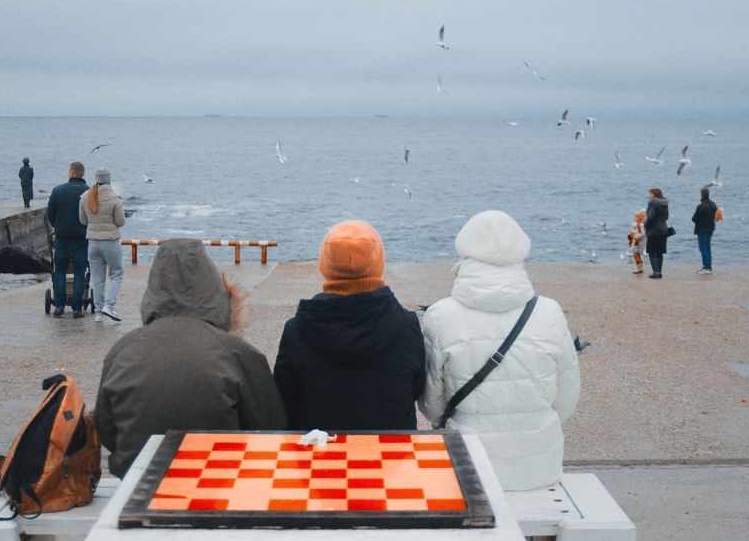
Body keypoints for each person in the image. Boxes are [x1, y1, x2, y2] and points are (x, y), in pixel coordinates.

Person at [93, 239, 286, 478]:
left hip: (139, 479)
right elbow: (271, 426)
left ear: (154, 288)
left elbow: (106, 428)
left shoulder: (122, 350)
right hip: (217, 480)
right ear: (213, 289)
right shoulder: (238, 353)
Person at [418, 210, 579, 491]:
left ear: (465, 257)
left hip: (467, 468)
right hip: (539, 467)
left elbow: (432, 406)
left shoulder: (440, 315)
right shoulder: (549, 312)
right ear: (519, 257)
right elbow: (566, 399)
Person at [273, 220, 425, 430]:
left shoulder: (297, 329)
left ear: (325, 264)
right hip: (392, 452)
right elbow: (417, 388)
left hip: (318, 452)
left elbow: (284, 398)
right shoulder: (406, 324)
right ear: (378, 263)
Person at [79, 168, 125, 322]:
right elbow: (120, 222)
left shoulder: (85, 197)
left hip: (92, 242)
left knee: (98, 279)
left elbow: (83, 221)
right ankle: (109, 306)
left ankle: (98, 312)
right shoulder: (115, 197)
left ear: (96, 179)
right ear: (108, 179)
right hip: (110, 241)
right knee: (116, 274)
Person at [46, 161, 89, 318]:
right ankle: (77, 309)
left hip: (63, 237)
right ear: (82, 173)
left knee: (60, 271)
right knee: (79, 272)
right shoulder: (89, 192)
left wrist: (57, 226)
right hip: (81, 237)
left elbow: (50, 213)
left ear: (71, 172)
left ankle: (59, 306)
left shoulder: (58, 190)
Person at [692, 187, 718, 275]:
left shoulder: (701, 206)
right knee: (708, 248)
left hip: (702, 229)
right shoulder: (713, 204)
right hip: (710, 228)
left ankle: (706, 268)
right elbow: (716, 216)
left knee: (703, 248)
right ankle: (708, 266)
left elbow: (694, 219)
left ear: (702, 195)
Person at [644, 187, 670, 279]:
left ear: (654, 195)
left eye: (650, 194)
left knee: (652, 252)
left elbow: (650, 217)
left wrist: (646, 225)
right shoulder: (665, 204)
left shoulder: (653, 203)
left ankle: (656, 272)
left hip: (654, 230)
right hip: (663, 229)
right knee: (660, 252)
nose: (649, 195)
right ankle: (659, 272)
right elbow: (667, 217)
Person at [627, 208, 646, 274]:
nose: (635, 218)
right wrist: (631, 233)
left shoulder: (641, 225)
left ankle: (639, 268)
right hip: (636, 242)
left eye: (637, 217)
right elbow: (635, 231)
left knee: (636, 254)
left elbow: (643, 234)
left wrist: (635, 236)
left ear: (641, 218)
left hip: (639, 243)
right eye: (635, 216)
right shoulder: (637, 224)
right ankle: (640, 267)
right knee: (636, 255)